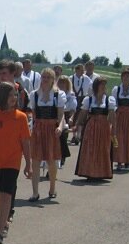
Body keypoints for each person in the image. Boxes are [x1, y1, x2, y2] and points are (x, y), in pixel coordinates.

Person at [0, 82, 31, 244]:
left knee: (6, 195)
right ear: (2, 96)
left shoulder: (21, 117)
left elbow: (25, 142)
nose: (14, 98)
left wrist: (28, 163)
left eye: (15, 95)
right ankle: (4, 222)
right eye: (10, 95)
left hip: (12, 162)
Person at [29, 69, 64, 200]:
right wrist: (32, 128)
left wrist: (60, 127)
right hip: (38, 129)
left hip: (52, 129)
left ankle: (52, 188)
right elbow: (34, 115)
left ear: (53, 80)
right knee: (35, 160)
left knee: (51, 160)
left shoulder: (58, 95)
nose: (45, 79)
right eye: (43, 77)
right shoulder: (34, 95)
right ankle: (35, 192)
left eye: (48, 77)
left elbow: (61, 115)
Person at [74, 77, 116, 180]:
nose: (104, 87)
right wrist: (76, 125)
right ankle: (89, 172)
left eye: (104, 85)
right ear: (96, 87)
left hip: (104, 127)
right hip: (91, 127)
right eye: (102, 85)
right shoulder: (89, 100)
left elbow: (112, 116)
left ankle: (101, 173)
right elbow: (83, 114)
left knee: (102, 149)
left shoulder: (109, 100)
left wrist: (113, 130)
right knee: (90, 149)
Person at [112, 69, 129, 170]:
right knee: (118, 138)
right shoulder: (117, 89)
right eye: (123, 76)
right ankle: (119, 161)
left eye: (127, 76)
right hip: (119, 115)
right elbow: (113, 104)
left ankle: (128, 160)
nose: (125, 78)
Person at [55, 75, 75, 169]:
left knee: (63, 138)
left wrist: (71, 118)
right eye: (60, 82)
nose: (62, 84)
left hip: (66, 116)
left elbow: (73, 109)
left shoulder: (71, 95)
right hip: (56, 115)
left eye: (64, 83)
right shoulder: (55, 93)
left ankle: (62, 157)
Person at [69, 64, 92, 143]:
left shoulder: (87, 79)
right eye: (81, 70)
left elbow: (91, 88)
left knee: (81, 118)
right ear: (76, 70)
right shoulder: (70, 78)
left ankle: (79, 136)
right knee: (74, 117)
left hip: (82, 99)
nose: (83, 71)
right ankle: (74, 136)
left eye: (83, 70)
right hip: (73, 99)